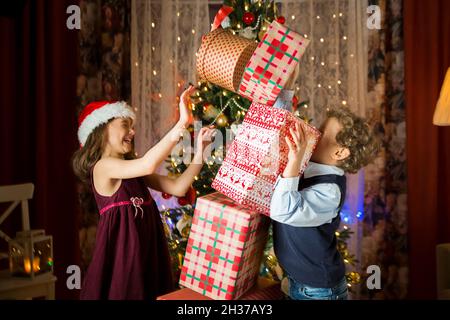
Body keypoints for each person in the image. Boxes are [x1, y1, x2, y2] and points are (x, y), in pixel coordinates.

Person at [72, 86, 215, 300]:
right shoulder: (102, 167)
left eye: (132, 127)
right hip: (124, 256)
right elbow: (148, 164)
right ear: (101, 130)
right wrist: (182, 123)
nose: (132, 132)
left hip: (147, 251)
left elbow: (178, 188)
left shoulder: (133, 170)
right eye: (124, 126)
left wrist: (201, 153)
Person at [270, 106, 379, 300]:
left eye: (321, 133)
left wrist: (294, 163)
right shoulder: (310, 167)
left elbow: (282, 211)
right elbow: (280, 120)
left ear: (339, 153)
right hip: (298, 280)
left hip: (318, 291)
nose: (313, 132)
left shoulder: (330, 191)